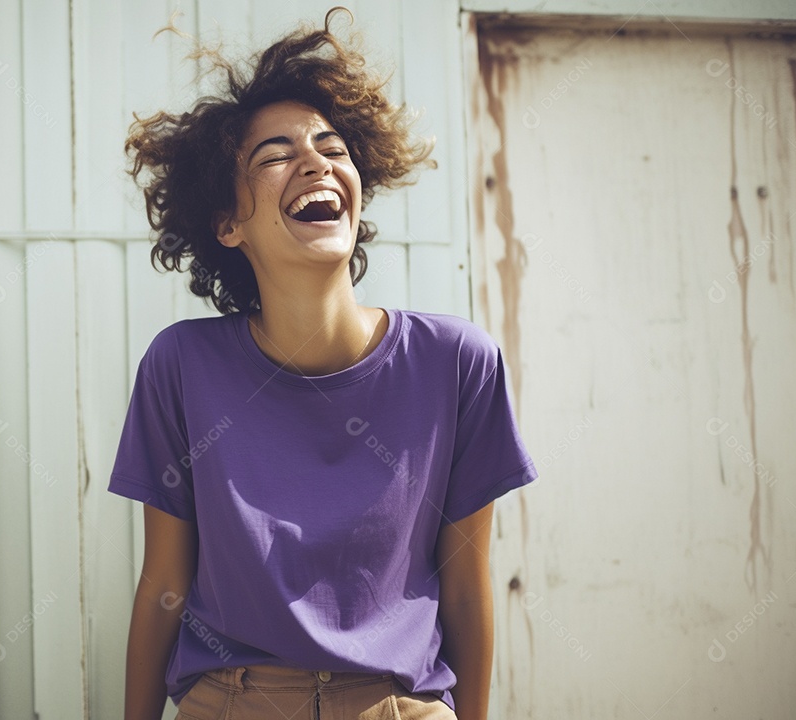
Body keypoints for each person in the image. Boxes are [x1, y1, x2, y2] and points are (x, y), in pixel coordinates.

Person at [109, 7, 538, 719]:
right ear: (228, 224)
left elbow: (466, 588)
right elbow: (164, 582)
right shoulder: (180, 366)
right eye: (275, 155)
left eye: (333, 147)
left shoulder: (458, 364)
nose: (315, 162)